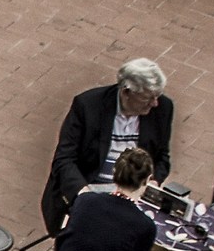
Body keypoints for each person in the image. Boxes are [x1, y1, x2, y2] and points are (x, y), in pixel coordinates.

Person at [42, 59, 176, 235]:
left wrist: (152, 182)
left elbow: (162, 157)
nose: (154, 103)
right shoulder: (88, 105)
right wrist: (85, 196)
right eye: (148, 97)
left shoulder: (163, 108)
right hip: (90, 189)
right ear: (126, 91)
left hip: (134, 192)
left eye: (157, 96)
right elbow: (64, 159)